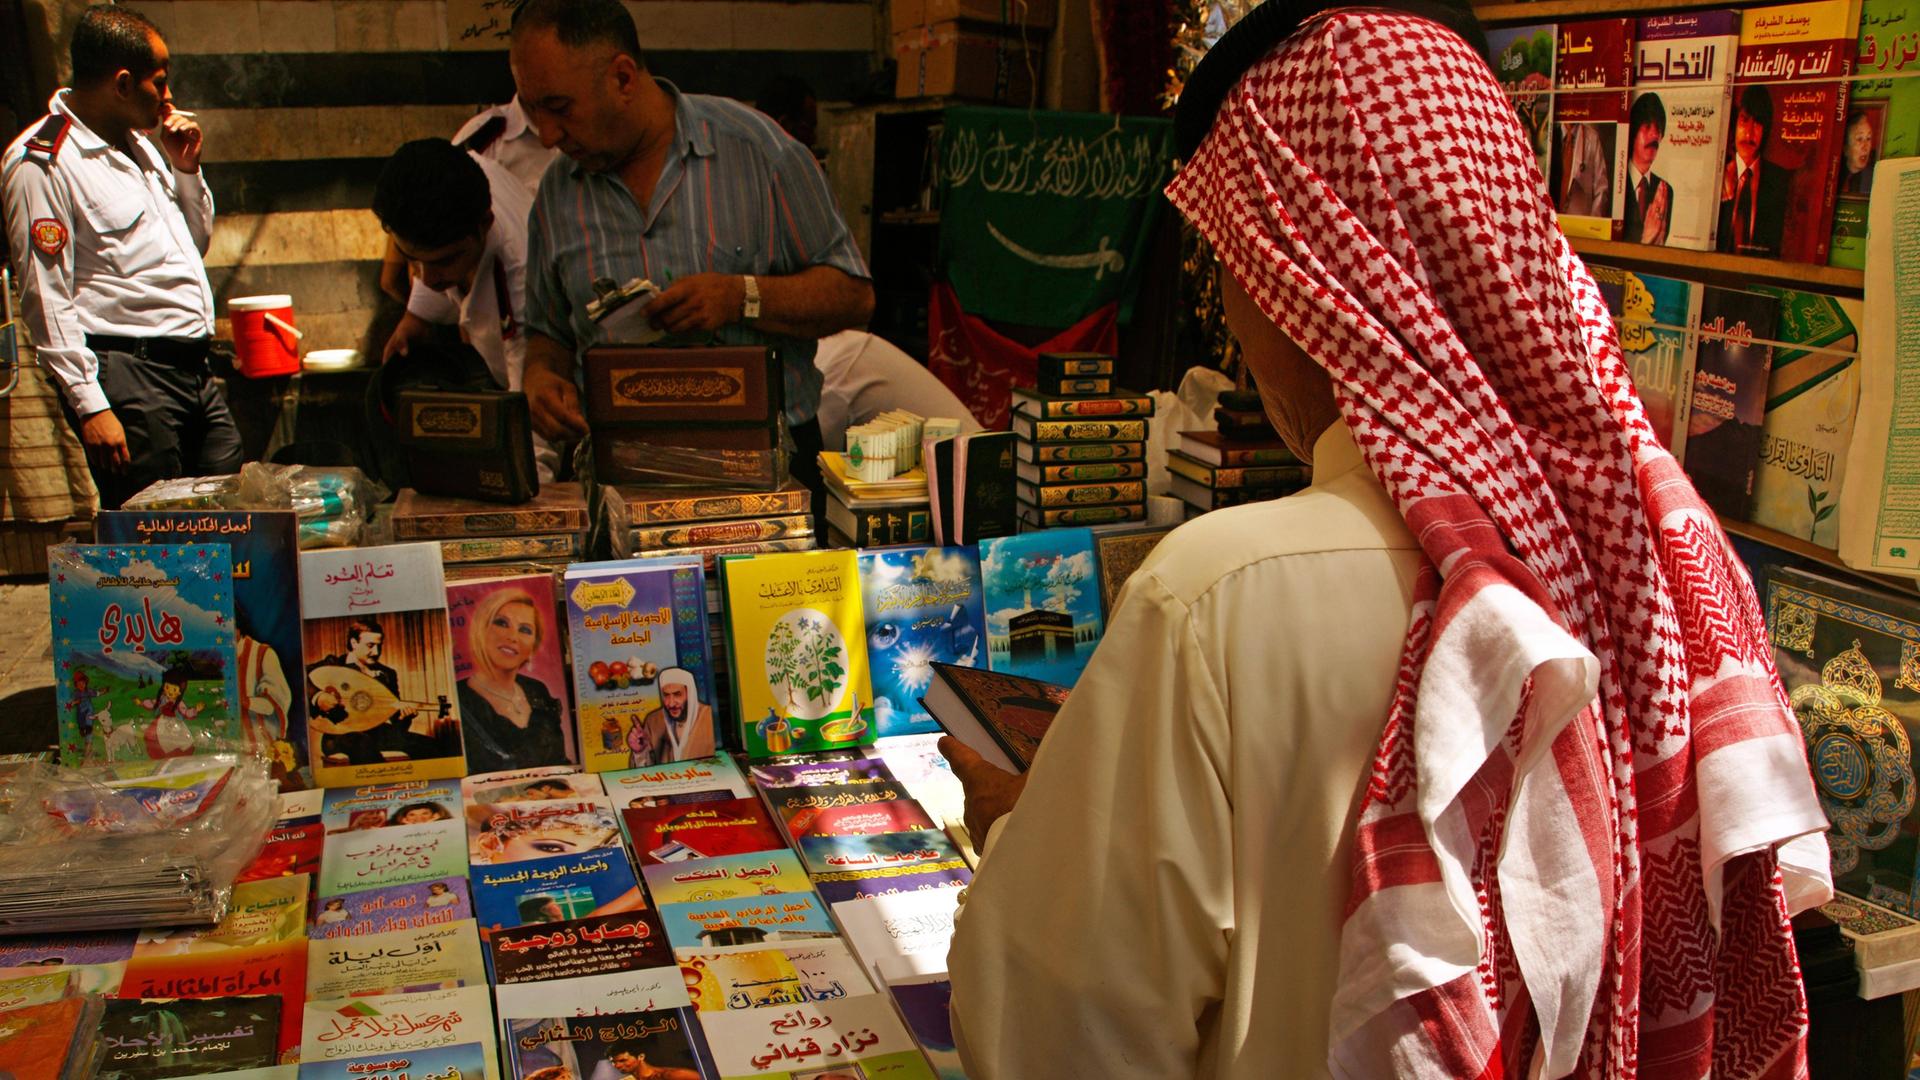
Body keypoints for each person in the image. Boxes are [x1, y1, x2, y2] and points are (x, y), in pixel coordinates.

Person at [939, 3, 1831, 1077]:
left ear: (1294, 276)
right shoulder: (1675, 565)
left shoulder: (1219, 597)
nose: (1233, 318)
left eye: (1232, 266)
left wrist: (1025, 834)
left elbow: (1054, 1037)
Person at [507, 0, 875, 515]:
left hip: (767, 477)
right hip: (621, 479)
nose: (548, 136)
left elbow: (854, 297)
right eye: (533, 111)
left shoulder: (760, 153)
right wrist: (542, 379)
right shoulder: (557, 193)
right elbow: (548, 333)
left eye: (560, 108)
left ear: (622, 78)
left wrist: (741, 297)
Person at [2, 6, 241, 510]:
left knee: (229, 511)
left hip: (193, 371)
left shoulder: (142, 147)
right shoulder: (43, 161)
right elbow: (45, 294)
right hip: (132, 376)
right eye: (161, 81)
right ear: (124, 83)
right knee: (158, 530)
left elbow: (193, 247)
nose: (169, 97)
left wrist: (186, 170)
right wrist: (90, 405)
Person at [372, 138, 560, 480]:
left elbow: (531, 418)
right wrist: (417, 316)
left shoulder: (522, 276)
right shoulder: (462, 171)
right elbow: (432, 258)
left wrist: (526, 486)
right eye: (413, 259)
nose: (427, 279)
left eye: (444, 262)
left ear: (484, 225)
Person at [455, 585, 570, 774]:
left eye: (525, 629)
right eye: (501, 623)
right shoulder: (457, 698)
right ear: (481, 629)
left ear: (533, 645)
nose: (513, 637)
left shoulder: (537, 690)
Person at [812, 330, 982, 451]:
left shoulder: (832, 367)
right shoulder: (840, 344)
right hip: (950, 471)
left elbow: (816, 463)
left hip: (970, 475)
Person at [1718, 84, 1790, 256]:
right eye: (1744, 120)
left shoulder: (1781, 181)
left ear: (1766, 130)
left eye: (1758, 123)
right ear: (1734, 124)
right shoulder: (1717, 173)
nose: (1749, 133)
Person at [633, 667, 714, 765]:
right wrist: (640, 752)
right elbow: (647, 768)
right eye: (666, 695)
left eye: (677, 694)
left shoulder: (709, 717)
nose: (671, 703)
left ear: (690, 694)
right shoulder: (653, 721)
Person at [1623, 92, 1672, 245]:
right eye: (1647, 126)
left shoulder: (1666, 191)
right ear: (1633, 132)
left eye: (1659, 128)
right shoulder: (1616, 181)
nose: (1654, 134)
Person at [596, 1044, 702, 1080]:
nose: (617, 1065)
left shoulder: (672, 1075)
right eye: (613, 1062)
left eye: (623, 1060)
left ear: (641, 1057)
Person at [1841, 108, 1876, 196]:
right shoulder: (1835, 174)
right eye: (1859, 139)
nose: (1865, 147)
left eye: (1868, 138)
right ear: (1845, 147)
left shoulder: (1875, 179)